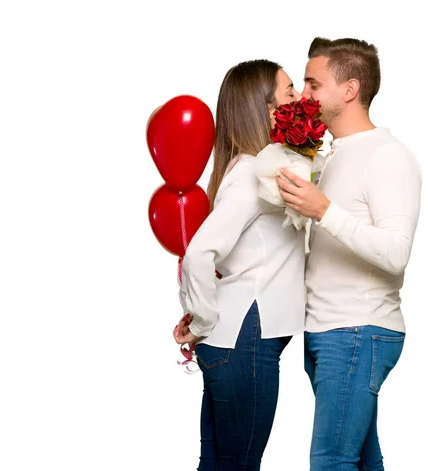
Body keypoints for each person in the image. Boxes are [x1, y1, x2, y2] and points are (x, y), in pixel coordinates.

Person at [276, 37, 422, 471]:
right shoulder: (329, 156)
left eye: (313, 84)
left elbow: (397, 252)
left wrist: (324, 211)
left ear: (349, 89)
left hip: (358, 330)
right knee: (359, 458)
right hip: (327, 331)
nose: (304, 96)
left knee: (331, 461)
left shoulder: (389, 156)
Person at [173, 59, 305, 471]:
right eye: (289, 92)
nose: (299, 98)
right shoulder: (251, 172)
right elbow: (199, 253)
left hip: (235, 344)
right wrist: (201, 322)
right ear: (265, 109)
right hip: (244, 344)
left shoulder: (250, 168)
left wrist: (200, 320)